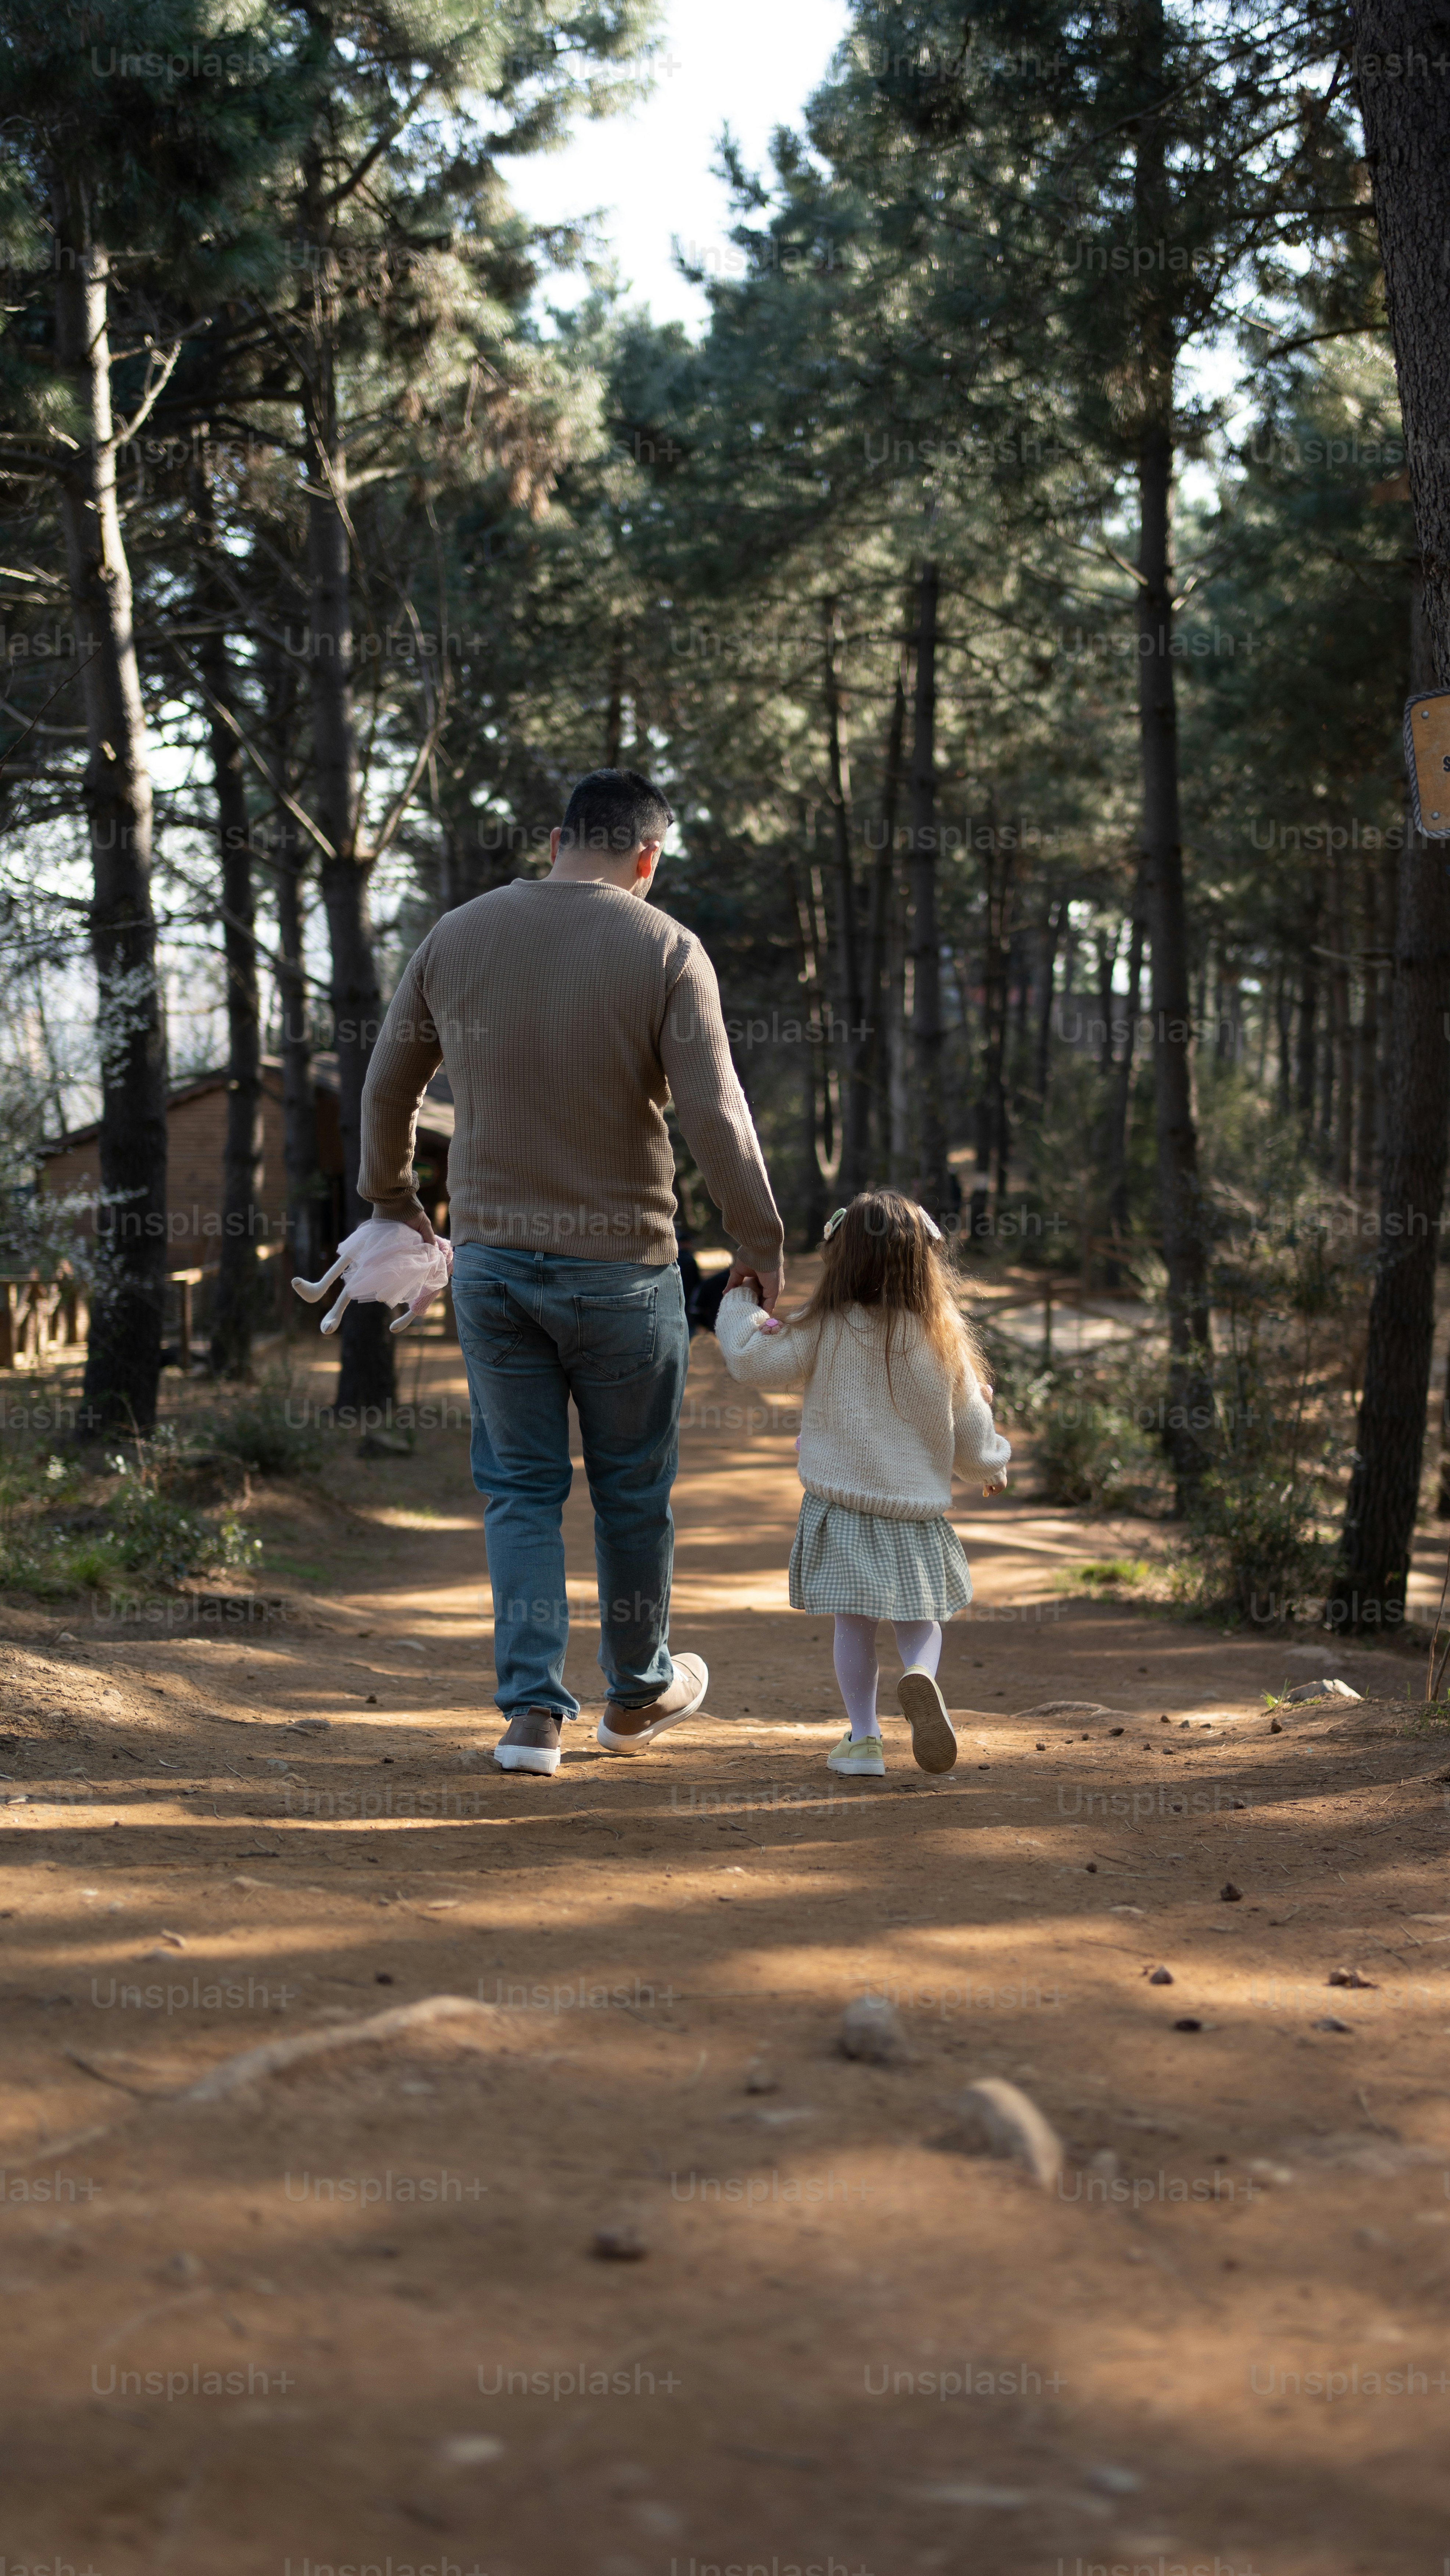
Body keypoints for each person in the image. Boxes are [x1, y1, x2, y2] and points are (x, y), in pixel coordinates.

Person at [357, 767, 785, 1777]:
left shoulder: (454, 935)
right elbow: (717, 1115)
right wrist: (760, 1245)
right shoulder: (667, 947)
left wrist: (392, 1199)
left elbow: (387, 1086)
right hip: (627, 1275)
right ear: (647, 858)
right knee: (634, 1492)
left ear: (556, 838)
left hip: (497, 1272)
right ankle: (636, 1694)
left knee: (519, 1489)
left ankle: (530, 1719)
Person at [715, 1190, 1010, 1778]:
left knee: (853, 1623)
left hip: (843, 1507)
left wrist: (741, 1296)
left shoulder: (824, 1327)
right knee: (920, 1619)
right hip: (917, 1511)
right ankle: (920, 1676)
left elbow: (751, 1359)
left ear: (840, 1257)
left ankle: (865, 1739)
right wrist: (991, 1466)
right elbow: (973, 1428)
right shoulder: (943, 1336)